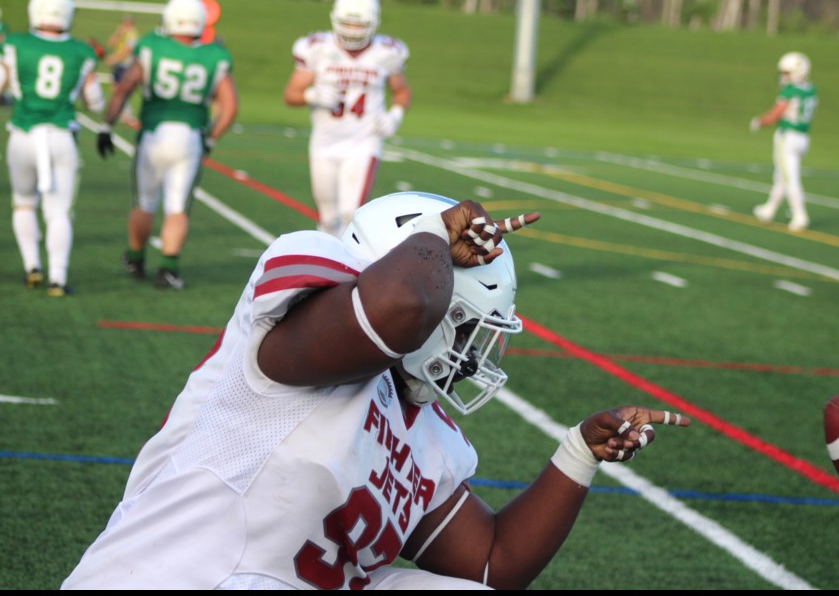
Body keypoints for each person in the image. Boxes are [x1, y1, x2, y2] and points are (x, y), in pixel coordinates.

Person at [60, 191, 690, 589]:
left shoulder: (422, 432)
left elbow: (493, 565)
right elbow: (399, 304)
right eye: (465, 328)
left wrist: (578, 453)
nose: (472, 354)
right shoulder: (289, 332)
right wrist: (432, 237)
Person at [96, 0, 238, 290]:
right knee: (177, 207)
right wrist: (210, 139)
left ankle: (135, 259)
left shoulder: (152, 45)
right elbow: (230, 108)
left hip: (153, 133)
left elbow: (125, 87)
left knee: (145, 201)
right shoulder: (215, 54)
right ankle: (168, 268)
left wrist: (107, 125)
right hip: (189, 137)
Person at [283, 0, 412, 236]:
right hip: (324, 141)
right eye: (347, 23)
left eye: (359, 25)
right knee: (328, 217)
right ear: (334, 19)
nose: (352, 31)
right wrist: (313, 95)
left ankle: (347, 270)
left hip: (363, 141)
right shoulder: (317, 48)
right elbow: (290, 95)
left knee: (350, 212)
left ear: (373, 23)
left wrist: (395, 115)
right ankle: (328, 267)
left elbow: (402, 91)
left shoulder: (386, 52)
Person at [0, 0, 104, 296]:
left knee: (23, 204)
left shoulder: (15, 44)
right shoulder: (81, 51)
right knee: (58, 211)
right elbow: (95, 101)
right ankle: (57, 277)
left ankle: (32, 265)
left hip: (23, 134)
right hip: (60, 136)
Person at [749, 51, 818, 232]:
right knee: (781, 176)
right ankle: (769, 209)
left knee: (790, 179)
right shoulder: (810, 89)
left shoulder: (790, 91)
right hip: (803, 138)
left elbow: (774, 116)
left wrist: (758, 121)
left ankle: (800, 215)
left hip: (788, 137)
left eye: (787, 73)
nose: (784, 76)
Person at [103, 15, 141, 129]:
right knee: (115, 88)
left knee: (121, 89)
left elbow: (127, 51)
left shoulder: (133, 35)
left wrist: (114, 58)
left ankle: (127, 115)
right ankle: (124, 114)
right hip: (119, 65)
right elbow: (111, 43)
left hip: (126, 65)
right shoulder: (123, 33)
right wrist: (118, 33)